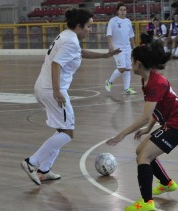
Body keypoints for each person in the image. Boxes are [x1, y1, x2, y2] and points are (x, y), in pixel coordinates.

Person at [20, 8, 121, 186]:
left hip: (43, 87)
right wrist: (57, 91)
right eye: (88, 26)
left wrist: (105, 55)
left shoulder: (67, 36)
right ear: (78, 26)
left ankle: (44, 170)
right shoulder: (70, 41)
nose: (90, 30)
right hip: (52, 89)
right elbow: (57, 64)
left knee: (61, 130)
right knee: (68, 133)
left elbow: (80, 53)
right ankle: (31, 163)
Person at [106, 40, 178, 211]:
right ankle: (167, 183)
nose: (131, 64)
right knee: (141, 152)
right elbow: (156, 109)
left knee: (143, 157)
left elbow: (145, 116)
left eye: (132, 61)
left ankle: (146, 203)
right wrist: (148, 129)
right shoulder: (148, 79)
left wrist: (121, 134)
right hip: (172, 123)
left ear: (138, 63)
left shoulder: (155, 83)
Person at [105, 2, 137, 95]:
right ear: (117, 11)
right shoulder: (113, 21)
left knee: (127, 68)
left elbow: (131, 36)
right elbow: (109, 34)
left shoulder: (128, 21)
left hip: (127, 48)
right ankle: (109, 82)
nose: (123, 12)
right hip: (117, 48)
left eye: (124, 10)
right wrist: (110, 46)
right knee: (122, 68)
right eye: (121, 10)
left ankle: (126, 89)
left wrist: (133, 47)